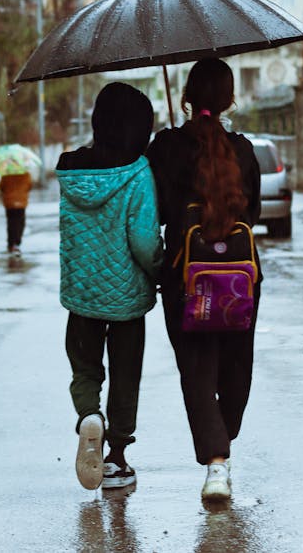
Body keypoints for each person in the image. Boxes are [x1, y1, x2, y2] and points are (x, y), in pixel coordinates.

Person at [147, 58, 262, 503]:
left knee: (196, 372)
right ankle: (222, 444)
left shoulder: (166, 146)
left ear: (188, 98)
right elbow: (250, 215)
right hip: (241, 277)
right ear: (230, 99)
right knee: (236, 367)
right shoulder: (245, 150)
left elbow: (154, 211)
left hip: (184, 277)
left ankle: (217, 462)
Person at [56, 82, 163, 492]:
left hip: (81, 295)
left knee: (84, 368)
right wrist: (160, 270)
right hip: (128, 300)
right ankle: (117, 459)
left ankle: (88, 416)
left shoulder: (71, 169)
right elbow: (144, 240)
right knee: (125, 375)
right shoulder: (138, 172)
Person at [0, 171, 32, 268]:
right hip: (21, 202)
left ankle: (10, 243)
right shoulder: (26, 174)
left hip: (9, 202)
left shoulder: (6, 174)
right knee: (20, 222)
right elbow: (29, 186)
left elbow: (1, 187)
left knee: (10, 222)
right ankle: (17, 242)